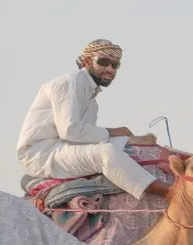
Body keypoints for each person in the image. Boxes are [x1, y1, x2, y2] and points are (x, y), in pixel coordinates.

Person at [16, 39, 169, 199]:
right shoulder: (70, 83)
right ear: (87, 61)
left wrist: (126, 140)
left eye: (115, 65)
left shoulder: (92, 100)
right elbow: (70, 130)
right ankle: (167, 191)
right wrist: (113, 132)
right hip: (41, 153)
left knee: (121, 150)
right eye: (104, 62)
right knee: (106, 153)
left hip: (62, 148)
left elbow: (84, 139)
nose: (110, 69)